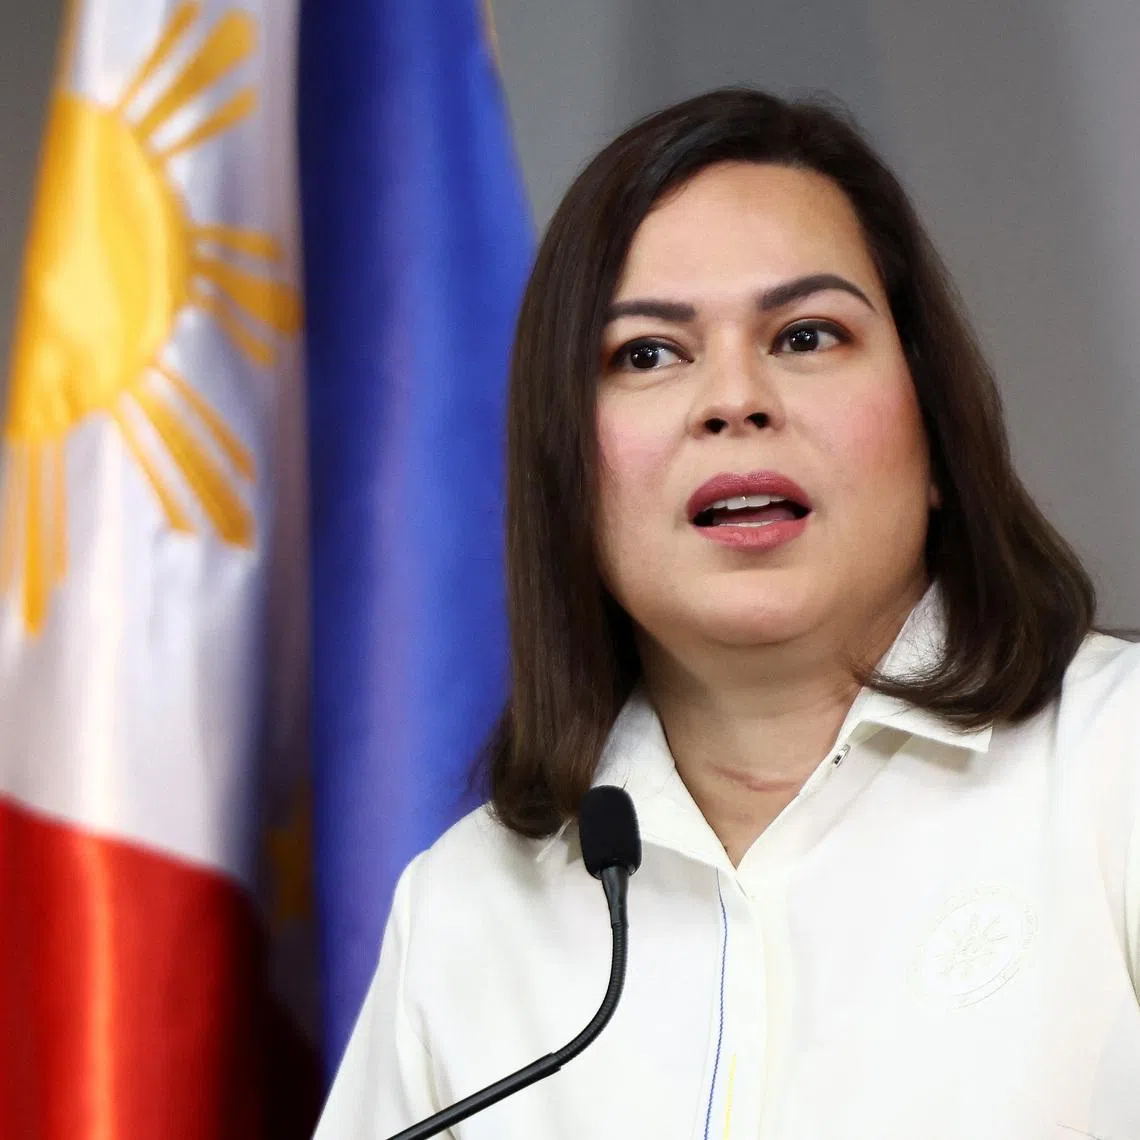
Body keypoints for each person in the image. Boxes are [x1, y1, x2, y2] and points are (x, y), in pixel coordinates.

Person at [313, 88, 1140, 1139]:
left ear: (934, 431)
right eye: (648, 354)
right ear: (569, 471)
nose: (734, 397)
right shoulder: (468, 907)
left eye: (805, 335)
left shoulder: (1117, 771)